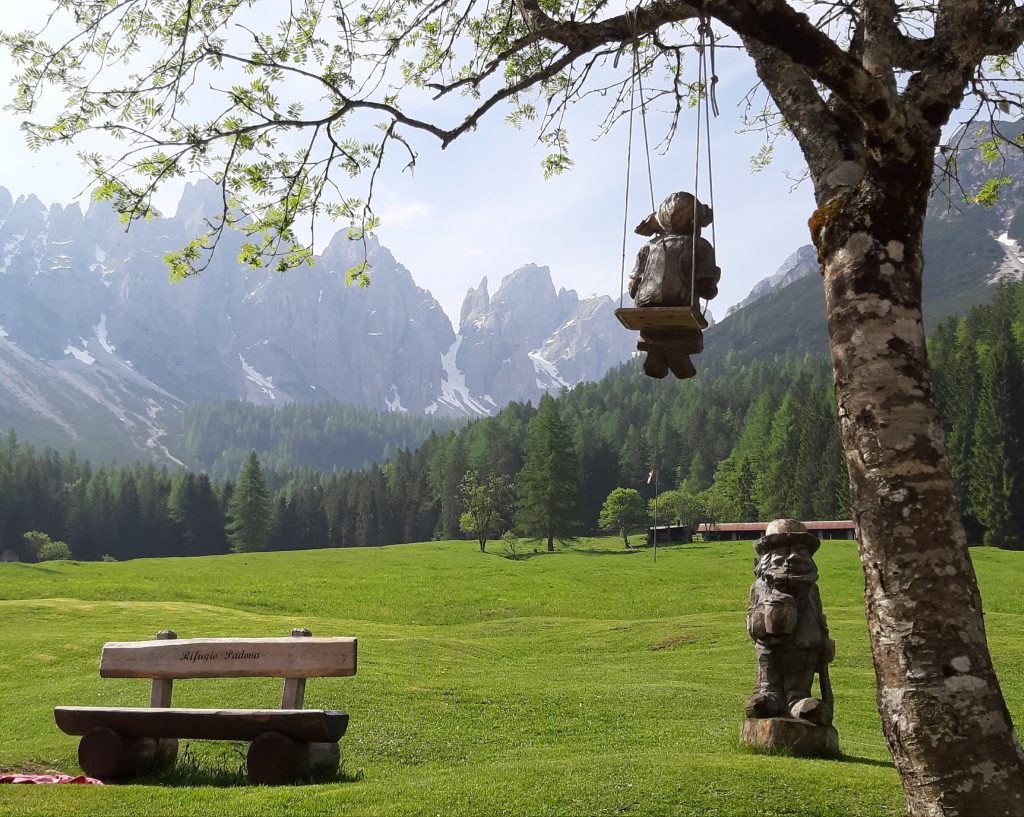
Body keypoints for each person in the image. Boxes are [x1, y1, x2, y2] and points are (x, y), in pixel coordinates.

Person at [627, 192, 720, 378]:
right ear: (695, 223)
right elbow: (707, 290)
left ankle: (657, 355)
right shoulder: (700, 246)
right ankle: (675, 355)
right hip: (681, 310)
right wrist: (714, 278)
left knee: (655, 327)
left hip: (647, 312)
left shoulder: (647, 247)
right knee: (684, 328)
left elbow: (632, 289)